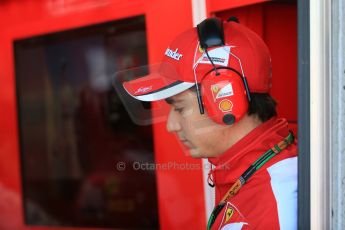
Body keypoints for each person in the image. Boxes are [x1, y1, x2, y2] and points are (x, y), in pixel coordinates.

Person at [120, 17, 297, 230]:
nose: (171, 126)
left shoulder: (273, 206)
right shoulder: (251, 173)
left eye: (179, 107)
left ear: (226, 101)